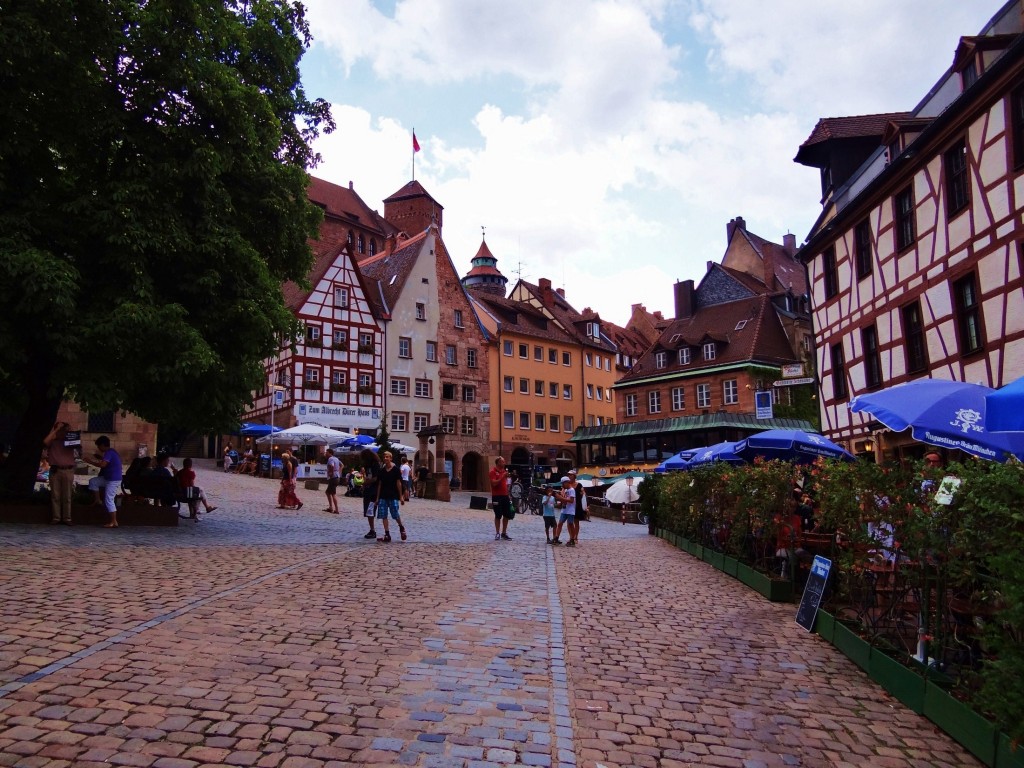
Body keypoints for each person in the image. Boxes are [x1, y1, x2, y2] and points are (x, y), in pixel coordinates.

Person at [84, 436, 123, 528]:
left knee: (109, 499)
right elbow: (106, 461)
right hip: (108, 478)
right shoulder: (111, 452)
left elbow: (103, 465)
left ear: (102, 445)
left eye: (98, 446)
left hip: (113, 480)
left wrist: (90, 461)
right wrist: (99, 457)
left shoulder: (109, 452)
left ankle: (113, 521)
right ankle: (98, 500)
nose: (98, 448)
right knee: (93, 481)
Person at [42, 421, 77, 525]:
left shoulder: (70, 441)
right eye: (59, 430)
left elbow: (75, 439)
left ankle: (67, 518)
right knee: (55, 496)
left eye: (63, 430)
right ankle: (56, 517)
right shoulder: (52, 441)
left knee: (67, 496)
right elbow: (45, 442)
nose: (61, 431)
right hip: (55, 470)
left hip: (68, 470)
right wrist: (56, 430)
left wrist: (69, 429)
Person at [375, 450, 407, 542]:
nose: (385, 458)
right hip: (383, 495)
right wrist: (377, 498)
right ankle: (387, 533)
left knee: (395, 513)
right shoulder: (382, 471)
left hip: (393, 495)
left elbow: (398, 483)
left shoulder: (396, 470)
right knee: (383, 515)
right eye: (384, 457)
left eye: (387, 457)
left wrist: (401, 496)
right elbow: (380, 484)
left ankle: (401, 527)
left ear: (391, 458)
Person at [489, 456, 514, 540]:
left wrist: (508, 493)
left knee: (507, 514)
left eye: (504, 461)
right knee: (498, 515)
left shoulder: (504, 472)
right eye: (502, 462)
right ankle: (497, 533)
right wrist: (502, 476)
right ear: (498, 463)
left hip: (505, 496)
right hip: (496, 496)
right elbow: (494, 484)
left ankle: (504, 532)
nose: (504, 463)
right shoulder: (492, 472)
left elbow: (506, 484)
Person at [551, 475, 576, 546]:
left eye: (563, 483)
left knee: (570, 524)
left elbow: (571, 500)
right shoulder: (565, 490)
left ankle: (572, 539)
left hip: (570, 510)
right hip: (564, 510)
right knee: (560, 523)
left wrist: (560, 498)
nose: (562, 485)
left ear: (567, 482)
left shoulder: (572, 490)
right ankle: (556, 537)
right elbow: (565, 499)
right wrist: (560, 500)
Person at [360, 449, 380, 538]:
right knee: (368, 511)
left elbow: (375, 478)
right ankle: (372, 529)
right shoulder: (368, 465)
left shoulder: (375, 465)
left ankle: (372, 530)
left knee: (370, 510)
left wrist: (365, 483)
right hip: (368, 490)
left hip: (373, 490)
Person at [567, 468, 587, 544]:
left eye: (571, 475)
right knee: (569, 522)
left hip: (577, 505)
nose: (570, 476)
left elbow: (583, 493)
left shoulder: (579, 485)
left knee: (576, 521)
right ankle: (571, 537)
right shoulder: (567, 485)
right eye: (569, 475)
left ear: (574, 476)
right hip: (569, 505)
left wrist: (583, 494)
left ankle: (575, 537)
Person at [324, 447, 342, 513]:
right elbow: (342, 465)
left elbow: (332, 465)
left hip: (333, 478)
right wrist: (339, 472)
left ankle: (336, 509)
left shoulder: (330, 459)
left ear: (330, 453)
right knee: (328, 492)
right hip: (337, 477)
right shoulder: (336, 458)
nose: (325, 454)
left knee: (333, 493)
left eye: (327, 452)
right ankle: (331, 507)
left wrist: (331, 473)